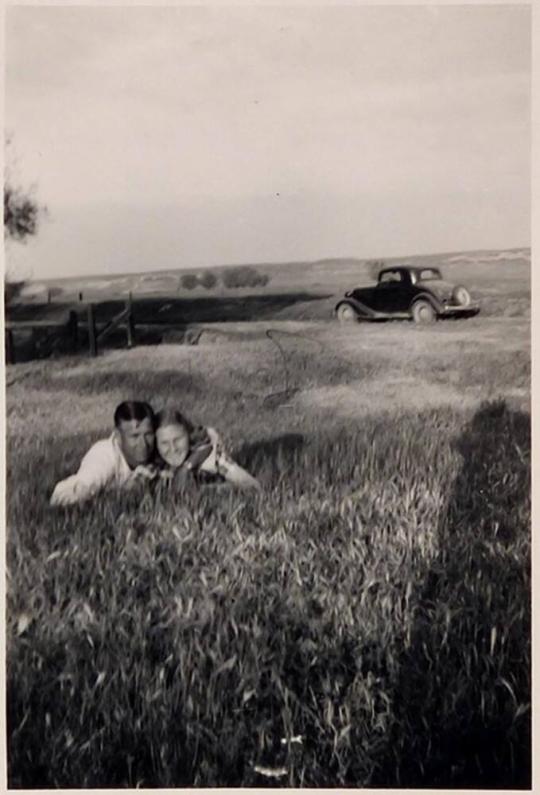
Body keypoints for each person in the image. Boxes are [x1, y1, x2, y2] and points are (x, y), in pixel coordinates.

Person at [50, 401, 158, 506]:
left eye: (148, 434)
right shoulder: (104, 456)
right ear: (118, 436)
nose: (143, 443)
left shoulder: (158, 447)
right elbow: (76, 495)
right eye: (134, 436)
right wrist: (123, 491)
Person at [154, 407, 261, 490]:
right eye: (164, 443)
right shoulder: (155, 461)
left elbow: (252, 486)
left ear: (189, 436)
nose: (173, 448)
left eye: (178, 440)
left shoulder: (213, 458)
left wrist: (207, 490)